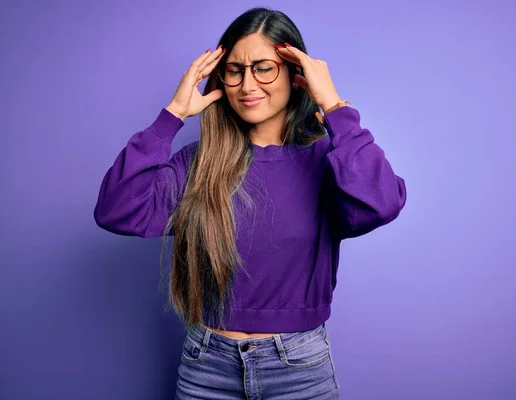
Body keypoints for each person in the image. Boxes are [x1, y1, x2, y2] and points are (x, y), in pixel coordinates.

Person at [94, 6, 406, 400]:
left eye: (264, 67)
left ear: (296, 77)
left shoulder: (328, 160)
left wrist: (333, 104)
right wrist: (171, 116)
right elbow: (116, 210)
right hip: (206, 365)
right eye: (235, 70)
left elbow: (382, 203)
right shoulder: (199, 161)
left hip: (298, 368)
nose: (247, 84)